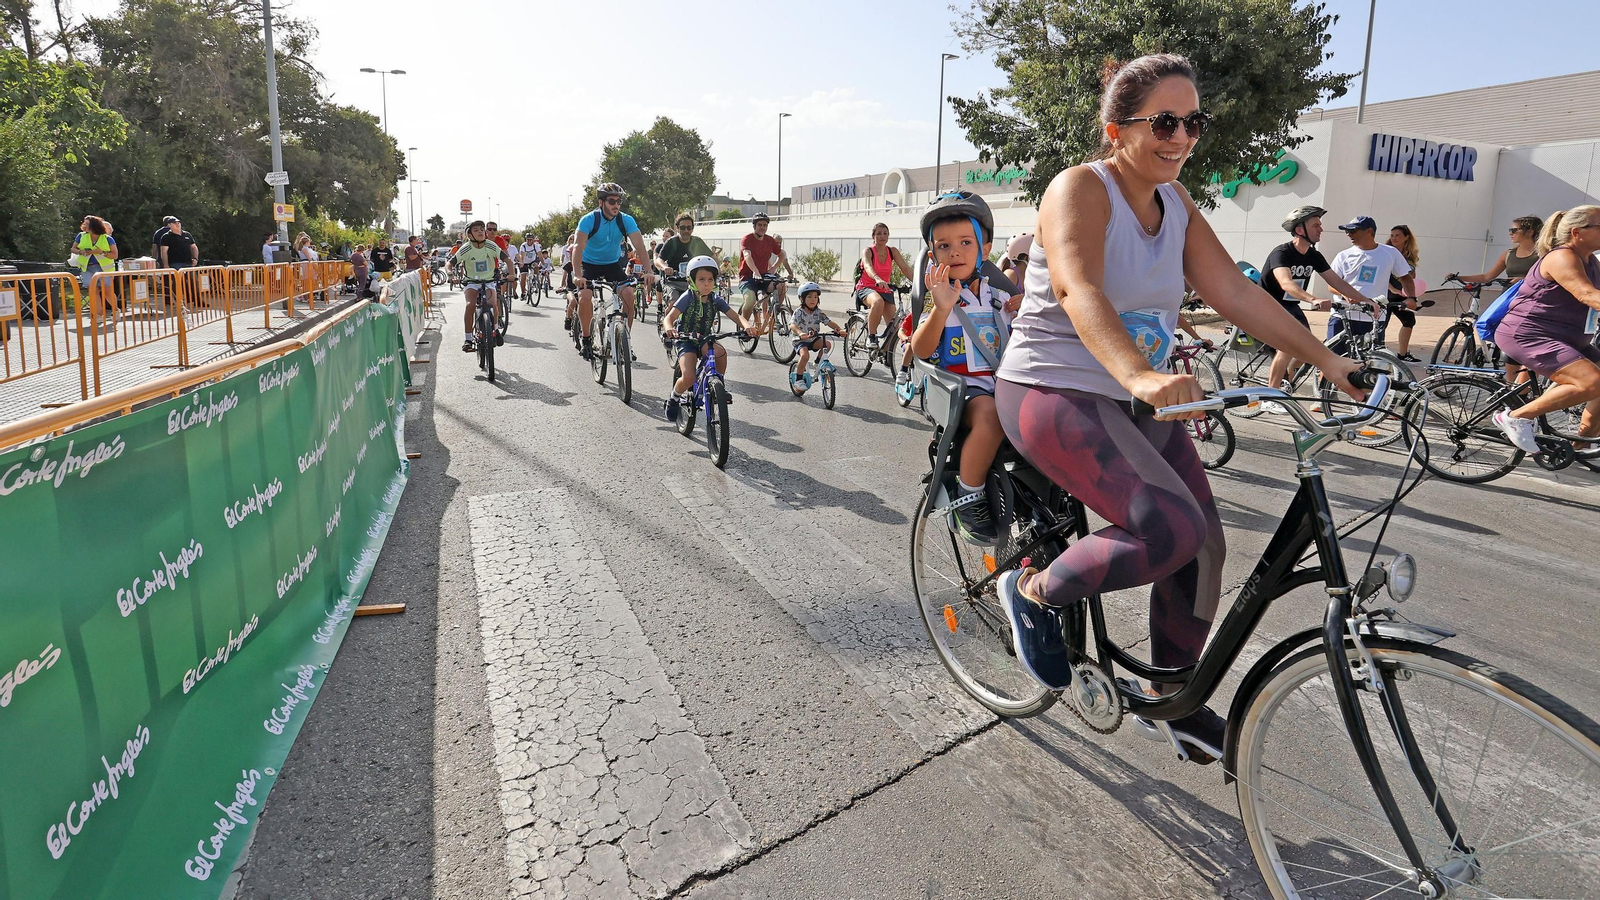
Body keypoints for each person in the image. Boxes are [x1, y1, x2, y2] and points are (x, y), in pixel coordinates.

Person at [990, 54, 1364, 761]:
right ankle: (1034, 591)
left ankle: (1171, 697)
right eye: (1165, 122)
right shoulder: (1081, 187)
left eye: (1194, 122)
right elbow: (1076, 288)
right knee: (1168, 530)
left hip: (1135, 396)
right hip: (1053, 388)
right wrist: (1140, 374)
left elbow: (1236, 292)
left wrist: (1326, 359)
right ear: (1116, 130)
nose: (1183, 137)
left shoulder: (1177, 202)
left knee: (1205, 545)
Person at [908, 192, 1015, 545]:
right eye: (944, 246)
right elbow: (920, 349)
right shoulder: (939, 298)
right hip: (964, 391)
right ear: (932, 254)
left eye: (965, 242)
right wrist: (941, 310)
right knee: (990, 416)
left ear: (985, 248)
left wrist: (1027, 310)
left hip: (1006, 384)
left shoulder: (1001, 298)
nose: (954, 252)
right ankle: (969, 495)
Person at [1490, 205, 1600, 454]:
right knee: (1591, 382)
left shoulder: (1590, 260)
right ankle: (1515, 417)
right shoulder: (1562, 257)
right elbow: (1587, 294)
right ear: (1577, 232)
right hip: (1530, 334)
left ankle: (1582, 444)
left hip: (1567, 337)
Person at [1258, 206, 1365, 411]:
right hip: (1267, 304)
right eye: (1316, 225)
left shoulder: (1313, 255)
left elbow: (1337, 281)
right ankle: (1269, 398)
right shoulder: (1282, 253)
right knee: (1287, 347)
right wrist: (1313, 299)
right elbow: (1286, 283)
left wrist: (1365, 300)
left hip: (1290, 306)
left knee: (1307, 348)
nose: (1321, 229)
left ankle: (1286, 379)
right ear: (1300, 230)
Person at [662, 254, 754, 423]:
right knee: (688, 377)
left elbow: (736, 316)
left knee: (721, 353)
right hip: (686, 340)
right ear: (691, 280)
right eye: (701, 279)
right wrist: (669, 328)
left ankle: (719, 384)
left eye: (710, 279)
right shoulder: (687, 297)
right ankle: (674, 397)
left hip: (704, 338)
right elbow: (669, 318)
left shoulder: (715, 299)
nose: (707, 284)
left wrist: (747, 326)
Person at [1453, 215, 1543, 384]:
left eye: (1514, 229)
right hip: (1508, 302)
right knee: (1509, 343)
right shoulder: (1509, 254)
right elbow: (1487, 276)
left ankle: (1524, 387)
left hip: (1531, 303)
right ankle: (1511, 386)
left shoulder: (1543, 254)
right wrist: (1459, 277)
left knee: (1524, 344)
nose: (1510, 233)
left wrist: (1526, 279)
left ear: (1530, 232)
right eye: (1510, 229)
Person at [572, 183, 656, 360]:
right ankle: (586, 339)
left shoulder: (626, 220)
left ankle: (625, 341)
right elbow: (578, 247)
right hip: (589, 264)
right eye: (612, 201)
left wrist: (648, 271)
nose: (616, 205)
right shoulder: (589, 220)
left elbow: (640, 246)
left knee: (629, 295)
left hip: (612, 264)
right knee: (585, 297)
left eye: (619, 201)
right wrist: (577, 275)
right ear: (601, 202)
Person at [1327, 215, 1413, 342]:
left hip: (1374, 317)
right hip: (1343, 315)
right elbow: (1331, 285)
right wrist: (1345, 294)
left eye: (1353, 231)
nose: (1349, 234)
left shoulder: (1391, 253)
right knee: (1334, 354)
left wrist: (1411, 298)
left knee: (1372, 354)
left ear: (1369, 231)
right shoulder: (1343, 256)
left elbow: (1406, 278)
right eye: (1347, 231)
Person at [453, 220, 513, 353]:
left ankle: (495, 330)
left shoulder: (491, 245)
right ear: (469, 235)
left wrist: (512, 274)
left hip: (489, 281)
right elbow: (450, 263)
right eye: (476, 230)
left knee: (493, 304)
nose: (480, 232)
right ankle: (468, 339)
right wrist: (451, 274)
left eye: (481, 229)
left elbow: (507, 260)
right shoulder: (466, 248)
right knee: (470, 305)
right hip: (471, 282)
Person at [854, 222, 916, 348]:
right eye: (878, 233)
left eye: (885, 233)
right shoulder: (868, 251)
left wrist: (919, 282)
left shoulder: (892, 251)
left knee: (893, 328)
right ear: (873, 236)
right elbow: (867, 266)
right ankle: (871, 337)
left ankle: (886, 353)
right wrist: (877, 278)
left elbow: (905, 268)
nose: (882, 236)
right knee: (878, 302)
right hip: (866, 287)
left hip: (884, 289)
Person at [788, 281, 844, 396]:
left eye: (815, 296)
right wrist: (800, 333)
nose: (813, 299)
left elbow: (829, 322)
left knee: (827, 344)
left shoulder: (818, 313)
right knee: (805, 356)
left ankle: (818, 362)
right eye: (809, 297)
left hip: (813, 339)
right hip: (801, 340)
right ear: (802, 298)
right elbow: (792, 325)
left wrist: (839, 330)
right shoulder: (799, 312)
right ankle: (798, 379)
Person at [738, 212, 785, 336]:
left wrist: (774, 268)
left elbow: (782, 254)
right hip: (747, 278)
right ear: (754, 226)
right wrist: (755, 271)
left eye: (765, 225)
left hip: (763, 277)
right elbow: (747, 256)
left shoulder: (769, 240)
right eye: (760, 225)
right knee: (750, 301)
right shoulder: (747, 239)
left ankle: (775, 314)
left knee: (781, 286)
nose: (762, 228)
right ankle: (744, 328)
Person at [1381, 225, 1423, 361]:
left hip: (1402, 296)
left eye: (1397, 235)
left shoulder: (1410, 255)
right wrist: (1392, 288)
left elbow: (1411, 276)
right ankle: (1376, 354)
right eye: (1392, 235)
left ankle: (1403, 354)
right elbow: (1381, 275)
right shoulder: (1386, 253)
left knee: (1409, 321)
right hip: (1385, 295)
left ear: (1406, 237)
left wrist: (1411, 294)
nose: (1394, 238)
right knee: (1381, 325)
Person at [67, 215, 118, 291]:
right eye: (84, 223)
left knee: (108, 292)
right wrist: (80, 252)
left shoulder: (107, 238)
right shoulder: (81, 236)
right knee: (93, 293)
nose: (85, 226)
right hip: (87, 268)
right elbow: (73, 249)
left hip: (104, 269)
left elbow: (115, 255)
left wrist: (101, 253)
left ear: (94, 225)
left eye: (87, 224)